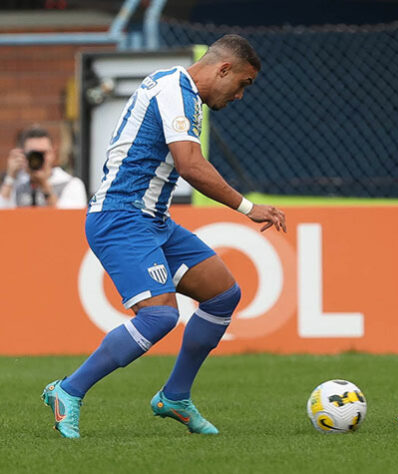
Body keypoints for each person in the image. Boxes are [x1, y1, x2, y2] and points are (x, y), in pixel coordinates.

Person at [41, 34, 287, 439]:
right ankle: (68, 390)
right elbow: (191, 165)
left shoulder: (182, 92)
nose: (240, 95)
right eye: (243, 84)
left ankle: (174, 396)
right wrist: (247, 207)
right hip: (120, 217)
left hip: (153, 220)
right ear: (223, 69)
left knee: (223, 294)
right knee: (159, 317)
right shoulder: (175, 87)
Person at [0, 125, 87, 209]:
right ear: (23, 155)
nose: (38, 159)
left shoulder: (71, 184)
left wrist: (44, 185)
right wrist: (10, 177)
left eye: (43, 153)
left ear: (53, 153)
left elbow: (69, 220)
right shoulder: (16, 184)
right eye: (33, 154)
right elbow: (3, 217)